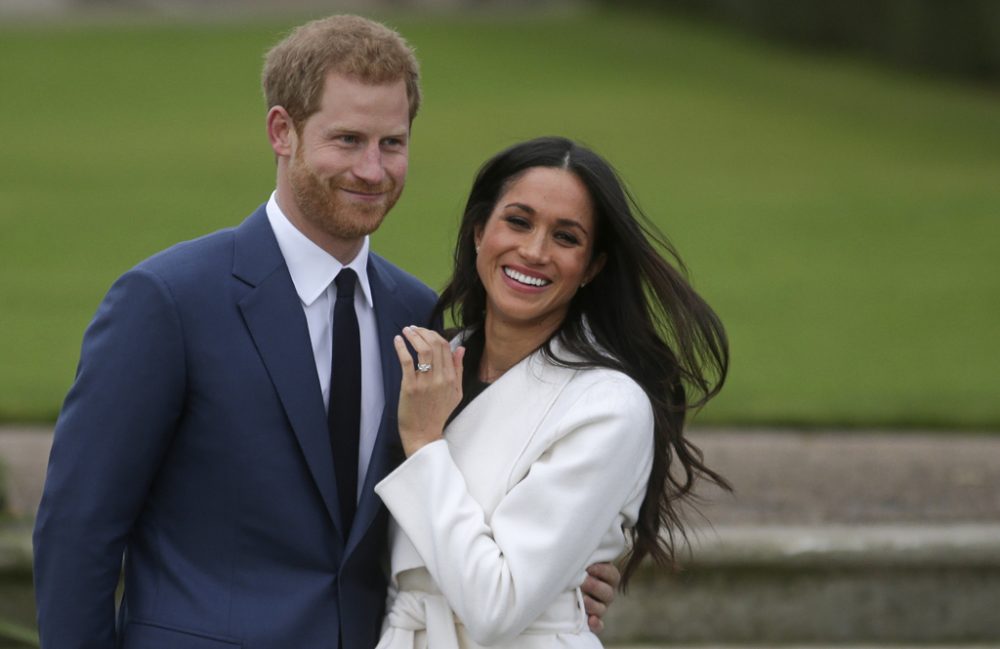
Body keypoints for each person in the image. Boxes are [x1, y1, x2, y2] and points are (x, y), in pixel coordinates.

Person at [31, 16, 616, 649]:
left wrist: (561, 576)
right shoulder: (168, 302)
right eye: (347, 139)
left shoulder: (420, 318)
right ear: (282, 132)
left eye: (392, 143)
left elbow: (457, 497)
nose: (372, 169)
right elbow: (78, 530)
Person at [371, 136, 731, 648]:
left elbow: (497, 606)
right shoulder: (428, 367)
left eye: (566, 237)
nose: (534, 251)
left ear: (592, 267)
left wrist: (427, 445)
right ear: (479, 230)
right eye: (518, 221)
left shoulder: (607, 405)